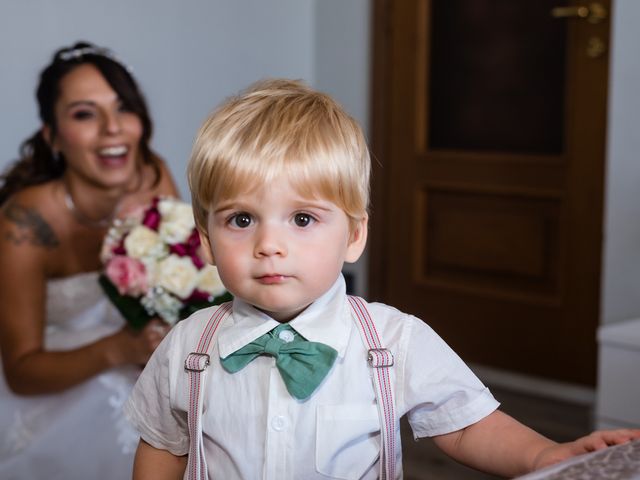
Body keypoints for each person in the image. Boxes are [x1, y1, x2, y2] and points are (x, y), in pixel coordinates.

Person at [124, 79, 640, 480]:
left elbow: (467, 426)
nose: (269, 245)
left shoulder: (394, 341)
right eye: (241, 220)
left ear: (353, 235)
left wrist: (547, 455)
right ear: (207, 242)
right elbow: (163, 448)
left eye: (302, 219)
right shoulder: (186, 347)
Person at [0, 42, 179, 479]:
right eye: (85, 114)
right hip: (51, 376)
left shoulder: (152, 177)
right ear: (52, 136)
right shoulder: (25, 224)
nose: (112, 129)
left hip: (139, 359)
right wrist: (120, 347)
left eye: (123, 109)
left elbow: (177, 291)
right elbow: (21, 371)